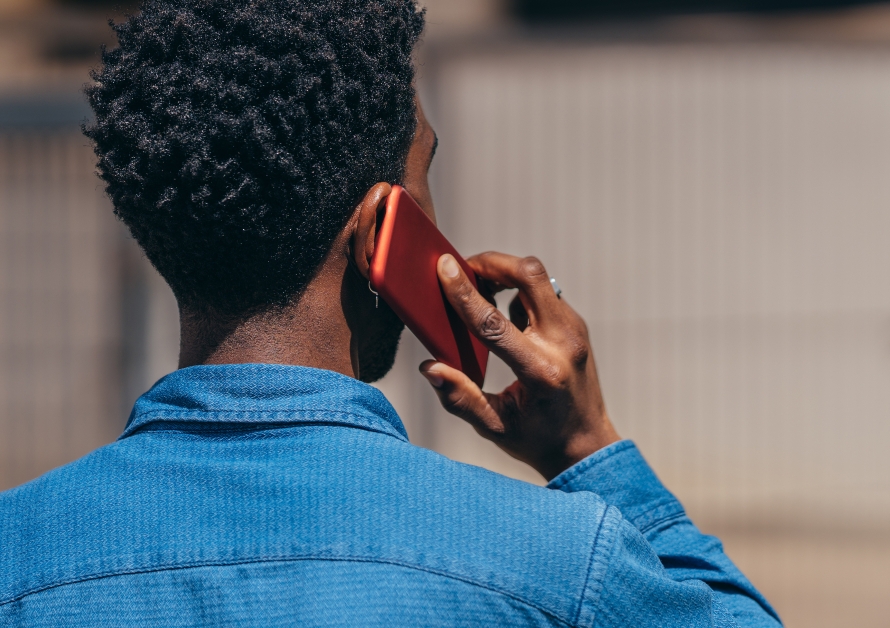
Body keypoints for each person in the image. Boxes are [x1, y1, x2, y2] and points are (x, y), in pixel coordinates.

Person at [0, 0, 780, 626]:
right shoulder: (562, 564)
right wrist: (590, 449)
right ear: (382, 229)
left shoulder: (16, 559)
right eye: (425, 171)